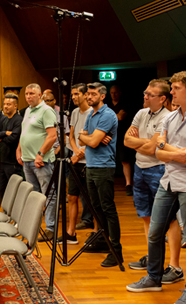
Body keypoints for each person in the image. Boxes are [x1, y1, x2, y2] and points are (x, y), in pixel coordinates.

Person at [126, 72, 186, 304]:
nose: (172, 92)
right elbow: (158, 151)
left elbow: (167, 150)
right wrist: (175, 152)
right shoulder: (171, 119)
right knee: (154, 231)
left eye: (177, 88)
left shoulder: (169, 117)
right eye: (171, 88)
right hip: (168, 181)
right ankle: (153, 277)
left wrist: (165, 148)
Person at [78, 82, 123, 267]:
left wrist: (89, 138)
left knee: (108, 208)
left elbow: (93, 141)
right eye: (87, 94)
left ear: (102, 96)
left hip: (104, 167)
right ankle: (103, 241)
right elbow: (82, 137)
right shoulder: (91, 114)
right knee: (96, 208)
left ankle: (116, 251)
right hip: (90, 166)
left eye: (93, 94)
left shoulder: (108, 115)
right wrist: (89, 137)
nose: (89, 97)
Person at [16, 83, 57, 242]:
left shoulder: (46, 110)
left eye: (32, 93)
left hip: (42, 161)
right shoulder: (27, 110)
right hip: (27, 160)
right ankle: (34, 225)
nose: (28, 96)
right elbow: (25, 133)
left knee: (48, 194)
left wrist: (40, 154)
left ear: (39, 95)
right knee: (34, 195)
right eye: (26, 94)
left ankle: (51, 227)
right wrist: (19, 149)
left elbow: (52, 136)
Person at [58, 83, 94, 245]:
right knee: (72, 196)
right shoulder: (74, 112)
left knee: (93, 199)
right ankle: (70, 233)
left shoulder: (93, 113)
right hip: (75, 159)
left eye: (76, 94)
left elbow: (97, 139)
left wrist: (81, 152)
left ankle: (95, 234)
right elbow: (70, 136)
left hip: (90, 161)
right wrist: (75, 150)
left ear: (86, 95)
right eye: (72, 94)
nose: (73, 97)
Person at [0, 93, 23, 199]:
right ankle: (5, 213)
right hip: (2, 161)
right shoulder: (3, 119)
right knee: (3, 190)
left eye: (9, 104)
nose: (5, 106)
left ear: (15, 106)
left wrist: (2, 138)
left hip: (13, 162)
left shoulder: (19, 120)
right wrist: (5, 133)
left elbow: (14, 139)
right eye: (5, 104)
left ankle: (15, 214)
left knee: (14, 191)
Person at [108, 85, 134, 195]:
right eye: (112, 93)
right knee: (108, 160)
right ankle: (108, 185)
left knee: (125, 160)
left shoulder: (124, 104)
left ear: (119, 93)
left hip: (122, 136)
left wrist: (107, 116)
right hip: (109, 137)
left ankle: (128, 184)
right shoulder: (107, 105)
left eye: (116, 92)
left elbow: (120, 117)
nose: (114, 95)